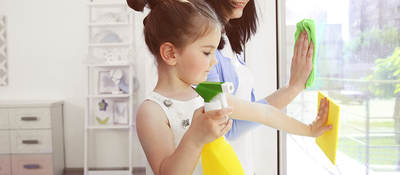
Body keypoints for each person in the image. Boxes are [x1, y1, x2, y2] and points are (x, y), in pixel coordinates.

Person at [127, 0, 330, 174]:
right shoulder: (152, 112)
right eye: (207, 53)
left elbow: (265, 113)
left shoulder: (207, 94)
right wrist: (194, 139)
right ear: (171, 54)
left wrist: (309, 130)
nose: (214, 62)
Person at [204, 0, 315, 174]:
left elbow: (235, 125)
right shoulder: (202, 52)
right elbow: (222, 113)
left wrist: (294, 87)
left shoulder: (228, 44)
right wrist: (308, 130)